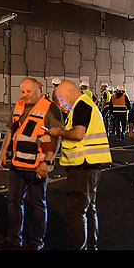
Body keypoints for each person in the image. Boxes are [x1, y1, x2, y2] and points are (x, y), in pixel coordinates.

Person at [0, 78, 63, 250]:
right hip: (17, 165)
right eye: (22, 91)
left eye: (28, 92)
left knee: (38, 204)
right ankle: (13, 239)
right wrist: (3, 151)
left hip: (37, 166)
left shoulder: (51, 108)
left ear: (38, 91)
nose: (24, 95)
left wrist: (46, 163)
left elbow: (56, 139)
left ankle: (36, 241)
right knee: (14, 202)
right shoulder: (19, 105)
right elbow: (11, 130)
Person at [47, 80, 112, 250]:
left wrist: (58, 132)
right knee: (89, 209)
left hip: (83, 166)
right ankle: (91, 246)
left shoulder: (81, 105)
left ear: (70, 92)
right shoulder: (86, 104)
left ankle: (80, 247)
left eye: (60, 98)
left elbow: (78, 134)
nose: (60, 102)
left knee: (76, 211)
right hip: (91, 165)